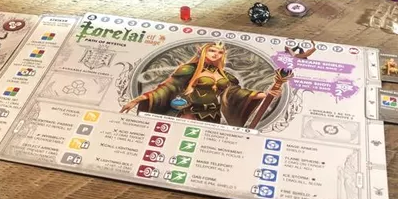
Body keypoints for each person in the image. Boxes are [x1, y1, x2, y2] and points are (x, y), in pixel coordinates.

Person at [120, 42, 284, 126]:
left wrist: (265, 94)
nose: (216, 54)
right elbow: (169, 87)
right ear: (205, 52)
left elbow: (236, 93)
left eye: (220, 52)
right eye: (212, 50)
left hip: (213, 114)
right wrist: (139, 99)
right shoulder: (189, 69)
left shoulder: (226, 76)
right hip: (190, 111)